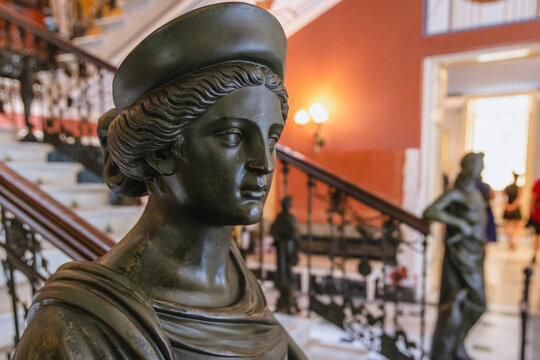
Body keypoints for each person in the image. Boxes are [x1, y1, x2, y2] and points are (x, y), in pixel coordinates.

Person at [12, 4, 307, 359]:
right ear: (160, 150)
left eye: (272, 139)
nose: (264, 163)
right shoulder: (73, 330)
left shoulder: (238, 282)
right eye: (232, 137)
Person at [424, 152, 487, 360]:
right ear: (469, 168)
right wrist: (458, 222)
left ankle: (457, 345)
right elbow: (431, 211)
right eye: (479, 166)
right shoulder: (456, 193)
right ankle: (450, 348)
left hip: (475, 253)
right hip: (462, 256)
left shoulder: (475, 192)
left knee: (471, 302)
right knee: (477, 302)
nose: (482, 169)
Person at [270, 196, 300, 314]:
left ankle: (288, 293)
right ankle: (284, 292)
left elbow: (295, 235)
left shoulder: (291, 218)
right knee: (281, 269)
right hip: (282, 247)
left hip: (289, 247)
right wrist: (279, 238)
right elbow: (273, 230)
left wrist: (296, 249)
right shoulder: (280, 217)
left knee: (288, 269)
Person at [503, 172, 522, 250]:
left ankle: (511, 241)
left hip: (509, 208)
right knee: (516, 226)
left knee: (509, 225)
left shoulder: (507, 188)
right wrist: (512, 207)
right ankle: (513, 241)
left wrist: (508, 206)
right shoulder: (518, 188)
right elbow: (518, 199)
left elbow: (504, 198)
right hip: (515, 208)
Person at [476, 178, 497, 243]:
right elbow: (493, 196)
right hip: (486, 209)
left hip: (478, 210)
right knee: (487, 233)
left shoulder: (473, 186)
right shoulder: (487, 186)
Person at [528, 178, 540, 263]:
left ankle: (534, 254)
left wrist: (531, 211)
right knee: (537, 235)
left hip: (537, 214)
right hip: (538, 213)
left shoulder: (538, 182)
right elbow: (533, 198)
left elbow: (533, 198)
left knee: (537, 236)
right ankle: (534, 254)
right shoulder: (537, 183)